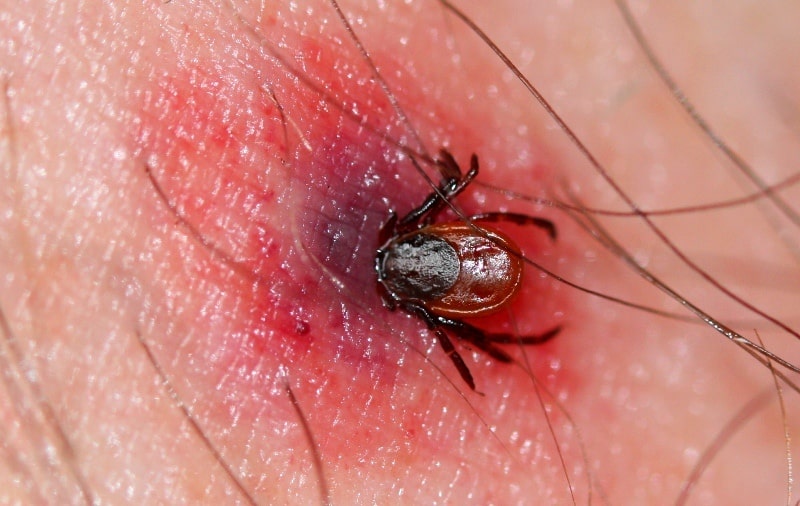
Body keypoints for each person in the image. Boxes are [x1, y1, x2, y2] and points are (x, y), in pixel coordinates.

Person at [1, 0, 798, 503]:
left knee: (482, 293)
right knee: (490, 248)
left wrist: (497, 319)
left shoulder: (415, 289)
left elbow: (455, 317)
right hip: (472, 268)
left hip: (470, 276)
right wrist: (466, 206)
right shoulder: (421, 246)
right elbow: (457, 219)